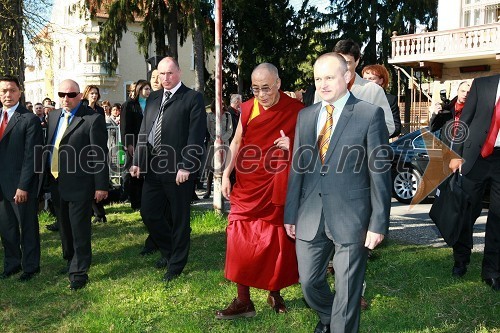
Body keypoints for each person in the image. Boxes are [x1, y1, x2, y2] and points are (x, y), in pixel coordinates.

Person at [284, 53, 391, 333]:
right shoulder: (305, 116)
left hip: (351, 217)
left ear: (347, 77)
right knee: (308, 282)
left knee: (347, 290)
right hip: (309, 215)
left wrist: (378, 222)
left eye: (329, 77)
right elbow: (299, 167)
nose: (322, 84)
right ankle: (329, 316)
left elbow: (379, 173)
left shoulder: (369, 114)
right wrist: (290, 213)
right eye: (318, 78)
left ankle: (340, 325)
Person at [215, 63, 303, 319]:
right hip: (248, 185)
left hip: (276, 184)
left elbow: (312, 145)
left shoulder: (296, 110)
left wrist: (293, 143)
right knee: (238, 239)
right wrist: (225, 174)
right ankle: (244, 301)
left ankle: (274, 292)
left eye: (266, 88)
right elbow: (237, 141)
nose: (262, 94)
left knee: (274, 241)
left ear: (278, 84)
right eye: (256, 89)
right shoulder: (247, 109)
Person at [130, 57, 206, 282]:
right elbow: (145, 132)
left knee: (179, 218)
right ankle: (170, 250)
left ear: (179, 73)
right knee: (149, 213)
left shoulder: (192, 98)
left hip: (179, 171)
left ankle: (176, 265)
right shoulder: (153, 97)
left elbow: (196, 135)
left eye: (170, 73)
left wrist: (187, 166)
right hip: (153, 168)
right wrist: (137, 162)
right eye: (162, 74)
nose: (166, 78)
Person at [45, 79, 109, 290]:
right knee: (64, 226)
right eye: (62, 94)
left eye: (71, 95)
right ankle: (70, 259)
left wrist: (101, 186)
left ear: (80, 96)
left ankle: (79, 271)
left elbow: (99, 154)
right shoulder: (53, 116)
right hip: (56, 182)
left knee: (79, 228)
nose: (66, 98)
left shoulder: (92, 119)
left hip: (81, 182)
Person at [449, 74, 500, 291]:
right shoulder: (482, 84)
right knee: (467, 212)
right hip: (475, 158)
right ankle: (461, 259)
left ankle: (492, 271)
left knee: (498, 218)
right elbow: (465, 120)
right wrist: (455, 154)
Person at [0, 76, 43, 281]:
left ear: (19, 91)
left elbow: (31, 156)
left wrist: (23, 186)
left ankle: (31, 266)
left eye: (11, 90)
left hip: (20, 186)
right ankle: (12, 264)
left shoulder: (29, 119)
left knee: (27, 227)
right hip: (1, 187)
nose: (7, 95)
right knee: (6, 228)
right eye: (3, 91)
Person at [333, 39, 395, 136]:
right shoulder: (323, 90)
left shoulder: (373, 90)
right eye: (339, 62)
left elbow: (388, 126)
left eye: (348, 63)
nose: (342, 67)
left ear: (357, 62)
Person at [120, 80, 151, 212]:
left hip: (148, 143)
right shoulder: (129, 105)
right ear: (139, 90)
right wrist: (129, 144)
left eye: (149, 89)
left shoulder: (152, 104)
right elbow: (125, 127)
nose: (148, 92)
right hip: (135, 143)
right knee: (134, 173)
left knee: (145, 173)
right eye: (145, 89)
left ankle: (145, 200)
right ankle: (135, 201)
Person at [362, 64, 402, 138]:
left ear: (381, 80)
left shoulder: (390, 100)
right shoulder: (355, 97)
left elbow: (396, 128)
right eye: (364, 79)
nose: (366, 82)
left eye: (371, 79)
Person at [203, 101, 233, 199]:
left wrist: (222, 140)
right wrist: (214, 139)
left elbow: (230, 130)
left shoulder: (228, 116)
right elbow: (207, 129)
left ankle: (224, 191)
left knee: (224, 168)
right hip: (212, 144)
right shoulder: (210, 115)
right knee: (211, 169)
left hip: (224, 144)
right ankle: (208, 191)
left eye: (223, 104)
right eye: (218, 104)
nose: (221, 106)